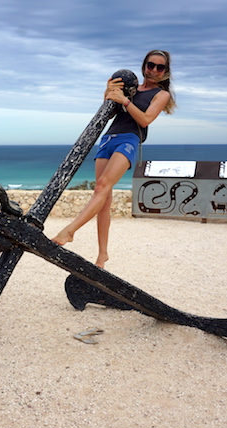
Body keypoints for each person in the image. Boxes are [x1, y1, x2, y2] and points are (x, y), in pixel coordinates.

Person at [51, 50, 177, 268]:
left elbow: (146, 120)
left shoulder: (161, 95)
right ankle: (102, 255)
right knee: (104, 199)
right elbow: (108, 113)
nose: (154, 70)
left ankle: (70, 231)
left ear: (166, 72)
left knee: (101, 186)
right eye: (151, 65)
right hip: (108, 139)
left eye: (160, 67)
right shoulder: (129, 89)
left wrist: (125, 102)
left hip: (129, 139)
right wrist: (108, 93)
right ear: (144, 65)